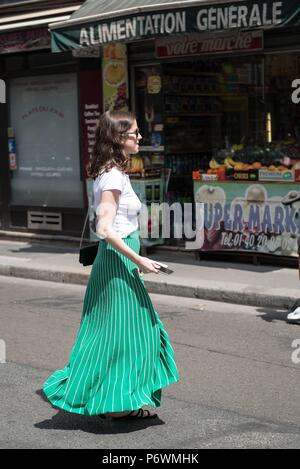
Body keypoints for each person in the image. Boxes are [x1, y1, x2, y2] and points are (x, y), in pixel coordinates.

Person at [42, 110, 179, 419]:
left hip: (118, 260)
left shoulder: (111, 171)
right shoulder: (113, 175)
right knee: (136, 332)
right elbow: (105, 228)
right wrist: (139, 259)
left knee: (119, 333)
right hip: (119, 259)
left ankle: (114, 401)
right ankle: (115, 404)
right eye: (135, 133)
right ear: (118, 138)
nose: (140, 137)